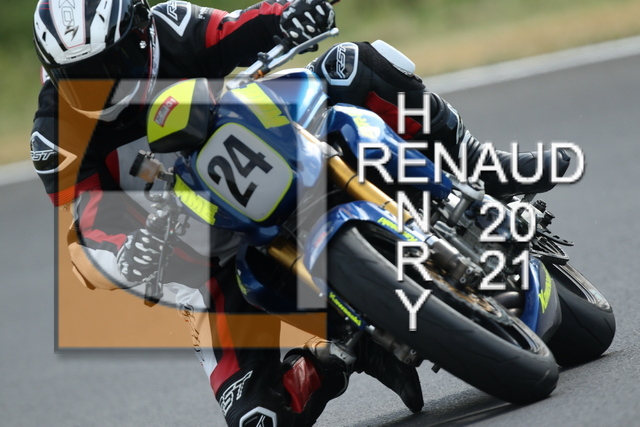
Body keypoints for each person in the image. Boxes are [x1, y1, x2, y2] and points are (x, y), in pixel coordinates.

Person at [31, 1, 568, 425]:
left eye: (113, 64)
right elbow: (90, 219)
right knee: (259, 418)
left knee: (358, 64)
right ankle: (335, 358)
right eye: (82, 76)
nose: (103, 84)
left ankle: (476, 165)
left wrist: (293, 13)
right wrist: (124, 253)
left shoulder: (171, 24)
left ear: (141, 33)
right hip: (193, 241)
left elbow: (241, 28)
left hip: (253, 142)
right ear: (54, 74)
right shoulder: (53, 134)